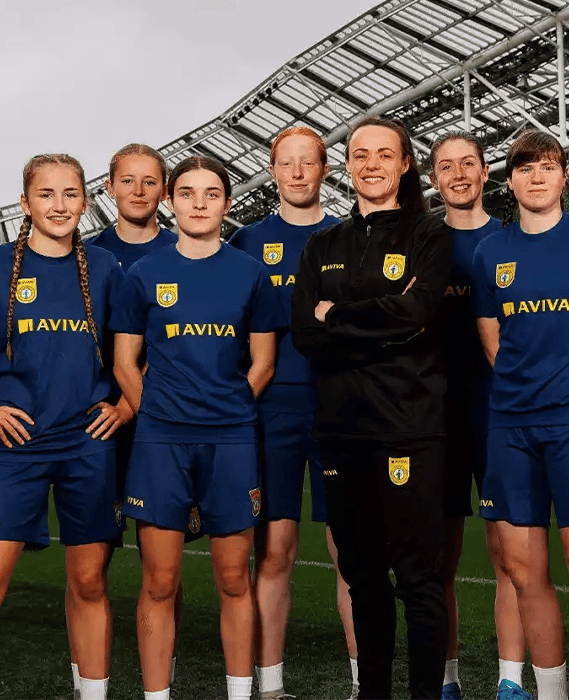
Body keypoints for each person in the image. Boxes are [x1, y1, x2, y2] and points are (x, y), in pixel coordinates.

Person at [0, 154, 128, 700]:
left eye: (69, 194)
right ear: (25, 203)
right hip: (17, 448)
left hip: (89, 446)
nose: (59, 206)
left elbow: (143, 350)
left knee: (88, 584)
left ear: (85, 201)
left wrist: (126, 407)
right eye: (46, 195)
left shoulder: (106, 269)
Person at [111, 156, 285, 700]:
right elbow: (124, 363)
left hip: (231, 439)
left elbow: (263, 364)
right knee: (160, 581)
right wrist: (163, 411)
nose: (200, 203)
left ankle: (240, 694)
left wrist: (224, 408)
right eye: (187, 193)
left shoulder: (251, 273)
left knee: (234, 579)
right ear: (171, 201)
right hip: (160, 442)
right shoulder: (143, 274)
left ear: (227, 204)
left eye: (212, 194)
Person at [292, 116, 452, 699]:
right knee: (362, 578)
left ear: (404, 163)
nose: (372, 164)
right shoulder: (323, 244)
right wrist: (382, 317)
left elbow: (419, 316)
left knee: (419, 579)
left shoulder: (429, 236)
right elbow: (303, 337)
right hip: (342, 433)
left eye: (384, 154)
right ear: (347, 166)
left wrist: (336, 315)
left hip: (410, 429)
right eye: (360, 155)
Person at [471, 128, 569, 700]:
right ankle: (553, 691)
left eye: (548, 166)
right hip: (510, 426)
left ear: (564, 176)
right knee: (525, 573)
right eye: (524, 168)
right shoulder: (491, 252)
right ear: (509, 181)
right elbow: (493, 342)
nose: (537, 177)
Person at [228, 126, 356, 700]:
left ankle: (363, 682)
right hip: (271, 416)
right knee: (274, 550)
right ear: (273, 170)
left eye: (309, 162)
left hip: (343, 413)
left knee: (349, 551)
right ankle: (271, 685)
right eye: (287, 163)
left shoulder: (353, 237)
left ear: (325, 169)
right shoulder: (248, 244)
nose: (298, 172)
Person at [75, 143, 180, 700]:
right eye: (128, 181)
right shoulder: (85, 255)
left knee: (163, 567)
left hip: (160, 425)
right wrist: (111, 403)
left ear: (164, 190)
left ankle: (160, 672)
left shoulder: (185, 246)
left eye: (149, 182)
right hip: (98, 427)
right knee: (90, 565)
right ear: (109, 188)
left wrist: (132, 404)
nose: (139, 192)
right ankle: (87, 680)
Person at [427, 131, 521, 700]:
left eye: (468, 164)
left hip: (501, 412)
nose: (458, 175)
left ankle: (511, 679)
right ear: (434, 179)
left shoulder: (512, 241)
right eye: (446, 167)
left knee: (511, 552)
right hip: (434, 418)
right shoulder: (418, 244)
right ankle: (447, 680)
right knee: (438, 559)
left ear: (485, 173)